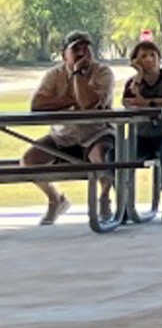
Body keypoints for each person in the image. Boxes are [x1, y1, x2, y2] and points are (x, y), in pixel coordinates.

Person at [22, 31, 117, 226]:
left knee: (103, 157)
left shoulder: (103, 72)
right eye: (76, 49)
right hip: (62, 136)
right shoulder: (54, 74)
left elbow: (89, 104)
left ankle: (105, 197)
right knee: (29, 161)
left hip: (97, 133)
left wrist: (77, 74)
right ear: (64, 53)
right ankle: (56, 200)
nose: (82, 53)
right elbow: (37, 104)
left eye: (86, 48)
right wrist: (71, 99)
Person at [119, 37, 162, 224]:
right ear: (135, 61)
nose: (149, 59)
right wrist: (139, 76)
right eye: (143, 56)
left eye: (153, 55)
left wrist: (149, 103)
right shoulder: (132, 83)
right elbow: (128, 101)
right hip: (141, 137)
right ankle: (123, 204)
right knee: (118, 155)